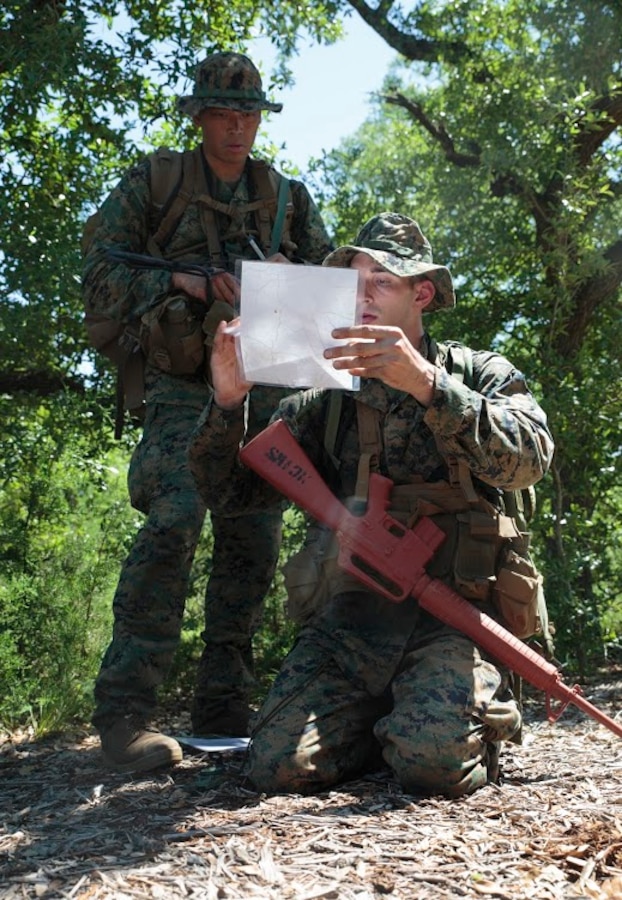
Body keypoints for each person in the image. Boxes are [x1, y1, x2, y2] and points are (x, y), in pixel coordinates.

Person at [187, 212, 555, 798]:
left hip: (455, 622)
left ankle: (447, 715)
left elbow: (530, 458)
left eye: (382, 283)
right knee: (275, 767)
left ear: (422, 294)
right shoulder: (322, 397)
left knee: (433, 768)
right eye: (353, 286)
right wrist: (228, 403)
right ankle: (387, 720)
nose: (363, 300)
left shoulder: (479, 372)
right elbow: (233, 495)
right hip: (352, 626)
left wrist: (429, 387)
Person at [82, 51, 333, 774]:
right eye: (223, 113)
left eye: (248, 114)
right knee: (174, 521)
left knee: (253, 536)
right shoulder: (155, 182)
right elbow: (99, 272)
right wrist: (189, 284)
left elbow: (330, 302)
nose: (237, 127)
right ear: (199, 116)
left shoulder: (289, 199)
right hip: (182, 385)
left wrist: (291, 280)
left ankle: (223, 711)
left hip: (264, 385)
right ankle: (124, 716)